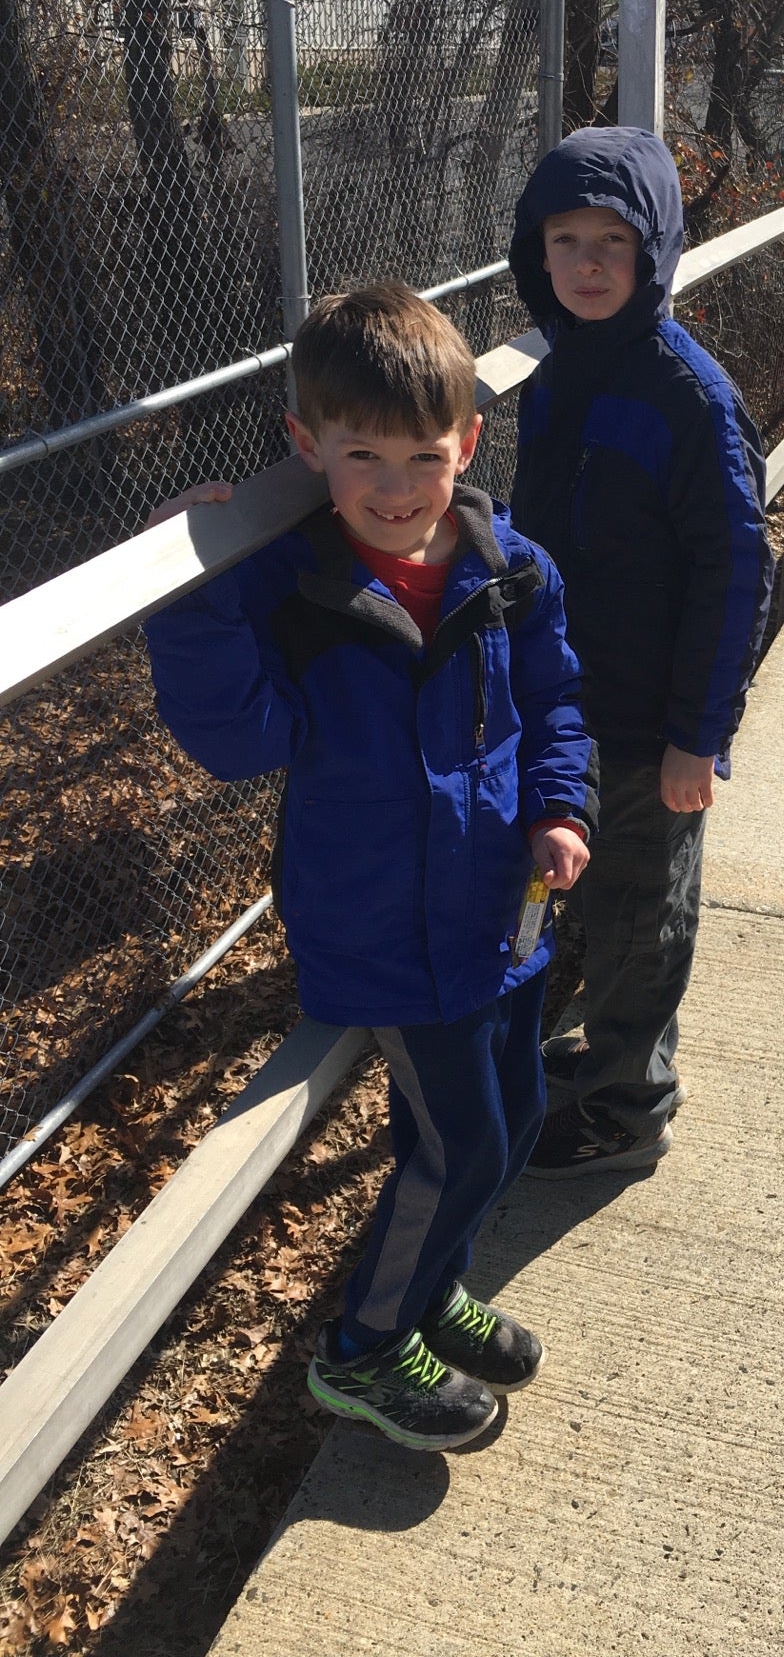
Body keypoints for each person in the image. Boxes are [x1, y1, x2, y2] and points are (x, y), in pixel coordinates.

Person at [143, 284, 595, 1450]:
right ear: (307, 447)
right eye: (362, 458)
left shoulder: (509, 565)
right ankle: (363, 1348)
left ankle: (429, 1282)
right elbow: (237, 743)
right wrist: (191, 592)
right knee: (465, 1142)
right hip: (382, 926)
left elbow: (555, 703)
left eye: (423, 458)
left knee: (512, 1110)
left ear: (470, 443)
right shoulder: (287, 585)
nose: (396, 491)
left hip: (502, 906)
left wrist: (561, 806)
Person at [507, 127, 774, 1178]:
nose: (584, 264)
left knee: (639, 919)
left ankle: (629, 1106)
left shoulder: (686, 395)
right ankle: (602, 1054)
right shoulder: (560, 371)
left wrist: (695, 740)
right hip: (568, 704)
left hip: (649, 721)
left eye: (610, 243)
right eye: (562, 240)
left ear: (655, 249)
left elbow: (735, 572)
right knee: (597, 907)